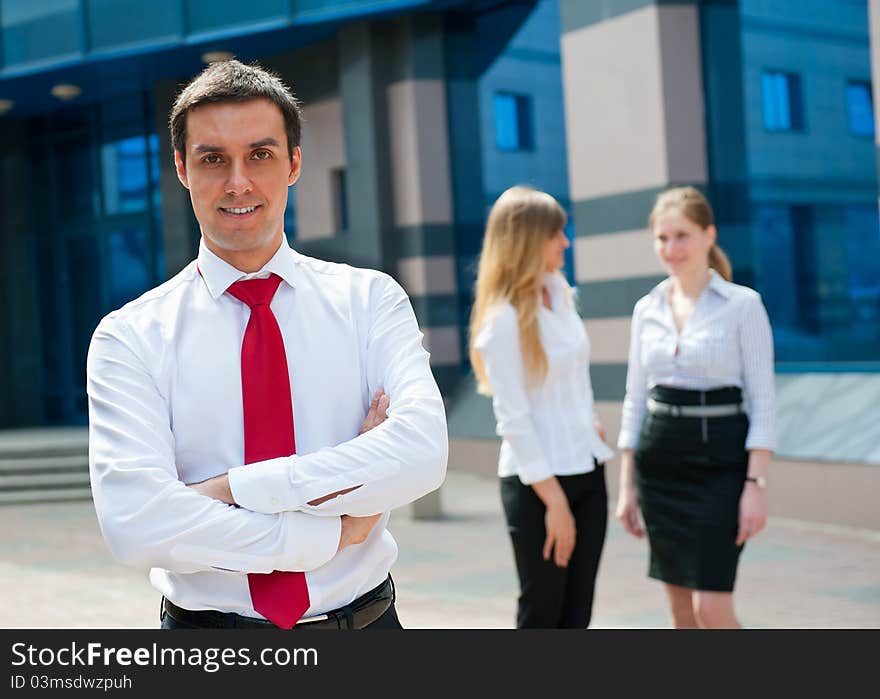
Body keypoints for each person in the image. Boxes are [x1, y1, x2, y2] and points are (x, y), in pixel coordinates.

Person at [86, 60, 447, 630]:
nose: (238, 183)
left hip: (367, 629)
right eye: (212, 159)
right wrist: (325, 529)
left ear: (294, 162)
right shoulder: (129, 338)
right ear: (181, 168)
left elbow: (423, 452)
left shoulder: (370, 302)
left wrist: (233, 488)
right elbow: (134, 523)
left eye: (260, 155)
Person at [615, 186, 776, 629]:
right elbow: (635, 400)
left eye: (682, 235)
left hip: (721, 465)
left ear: (709, 235)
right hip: (660, 464)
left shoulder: (743, 305)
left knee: (712, 609)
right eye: (662, 238)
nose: (671, 248)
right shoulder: (645, 309)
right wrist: (627, 486)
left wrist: (755, 483)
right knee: (681, 613)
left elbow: (763, 401)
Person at [469, 186, 614, 628]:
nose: (566, 243)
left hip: (588, 472)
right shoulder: (504, 322)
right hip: (537, 488)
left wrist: (586, 422)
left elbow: (571, 379)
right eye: (557, 234)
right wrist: (555, 503)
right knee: (542, 614)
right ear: (528, 240)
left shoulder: (561, 295)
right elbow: (513, 419)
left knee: (577, 614)